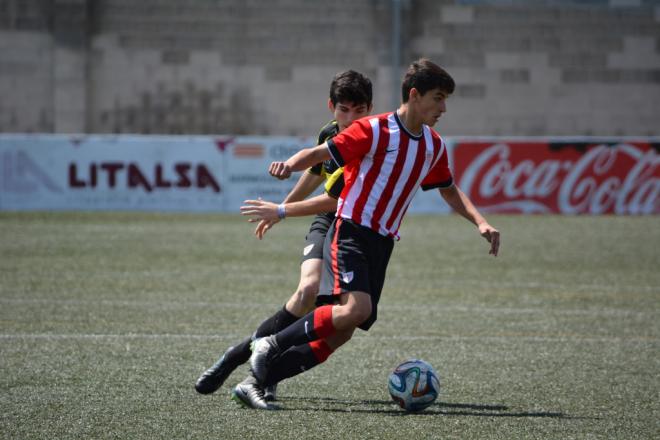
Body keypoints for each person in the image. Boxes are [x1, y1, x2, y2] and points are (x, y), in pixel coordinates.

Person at [233, 58, 500, 410]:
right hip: (353, 230)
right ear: (415, 95)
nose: (443, 108)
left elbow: (448, 189)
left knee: (342, 331)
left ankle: (259, 380)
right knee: (357, 309)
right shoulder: (374, 130)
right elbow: (318, 154)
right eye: (438, 98)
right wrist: (287, 166)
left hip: (383, 242)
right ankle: (272, 344)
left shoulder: (433, 146)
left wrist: (479, 221)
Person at [194, 70, 373, 402]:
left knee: (340, 325)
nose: (349, 119)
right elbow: (316, 172)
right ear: (331, 106)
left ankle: (260, 369)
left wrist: (282, 211)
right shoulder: (330, 134)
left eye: (358, 110)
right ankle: (240, 358)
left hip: (356, 228)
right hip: (326, 220)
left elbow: (338, 197)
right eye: (343, 110)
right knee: (306, 290)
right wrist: (282, 207)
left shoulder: (371, 141)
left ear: (370, 108)